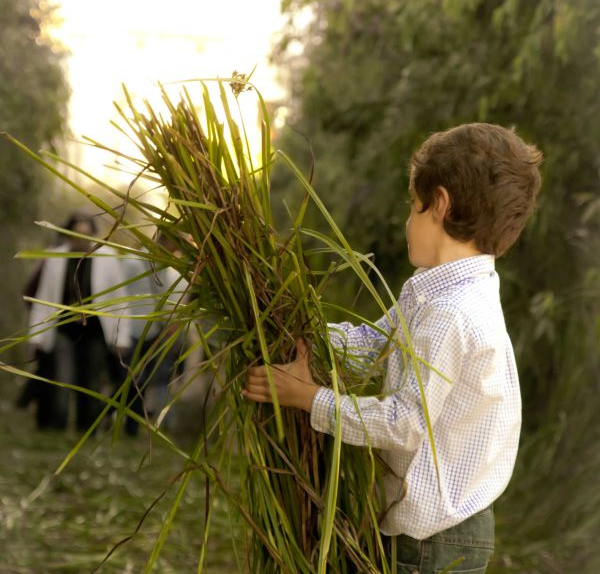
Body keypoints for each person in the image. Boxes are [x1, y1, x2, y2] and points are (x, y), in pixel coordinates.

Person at [243, 123, 542, 573]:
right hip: (434, 530)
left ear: (438, 204)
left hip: (436, 539)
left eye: (413, 206)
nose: (407, 220)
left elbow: (405, 424)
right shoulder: (432, 291)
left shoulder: (452, 312)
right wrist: (299, 330)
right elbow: (374, 344)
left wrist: (308, 398)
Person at [27, 211, 131, 431]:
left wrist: (121, 336)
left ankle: (88, 429)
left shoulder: (108, 258)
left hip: (95, 331)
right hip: (64, 330)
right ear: (68, 235)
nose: (81, 240)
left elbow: (120, 299)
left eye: (86, 235)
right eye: (75, 235)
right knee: (62, 379)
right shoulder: (55, 259)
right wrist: (36, 335)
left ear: (94, 235)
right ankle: (57, 427)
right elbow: (44, 297)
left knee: (91, 381)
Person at [118, 232, 188, 435]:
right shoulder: (134, 262)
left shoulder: (171, 270)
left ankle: (136, 425)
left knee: (150, 378)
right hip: (132, 330)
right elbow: (120, 296)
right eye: (174, 246)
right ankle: (128, 424)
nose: (176, 253)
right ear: (163, 241)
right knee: (132, 379)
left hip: (157, 333)